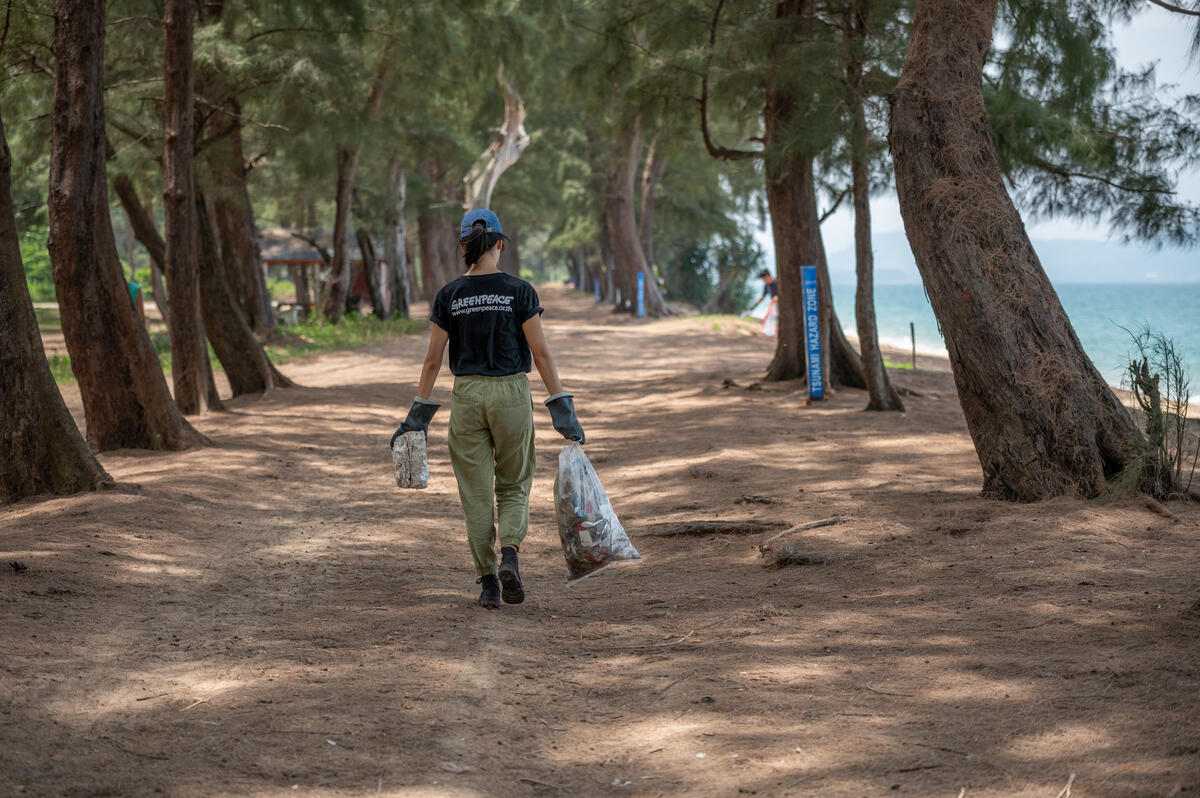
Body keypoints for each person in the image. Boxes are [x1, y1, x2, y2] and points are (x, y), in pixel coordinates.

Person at [391, 209, 584, 609]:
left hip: (468, 397)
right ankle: (511, 551)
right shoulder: (520, 290)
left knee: (476, 495)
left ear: (464, 247)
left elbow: (431, 363)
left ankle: (489, 583)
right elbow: (542, 354)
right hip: (513, 394)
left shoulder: (449, 295)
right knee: (513, 485)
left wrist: (417, 417)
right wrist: (561, 407)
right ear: (499, 243)